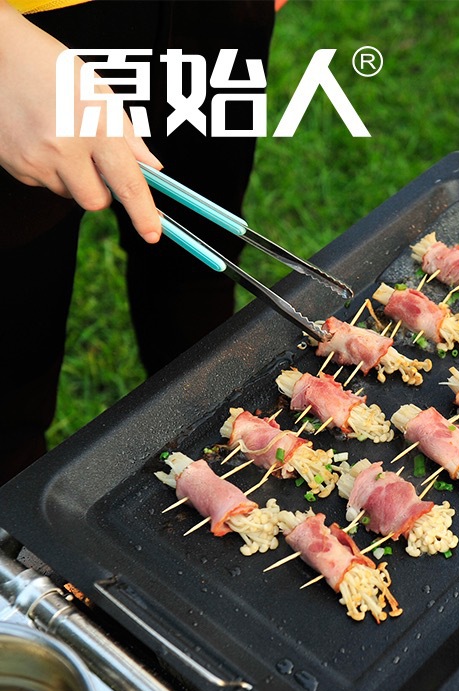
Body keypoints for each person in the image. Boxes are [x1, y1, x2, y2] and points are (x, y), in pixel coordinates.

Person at [0, 0, 276, 485]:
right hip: (24, 43)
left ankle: (219, 470)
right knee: (10, 364)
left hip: (209, 19)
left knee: (199, 273)